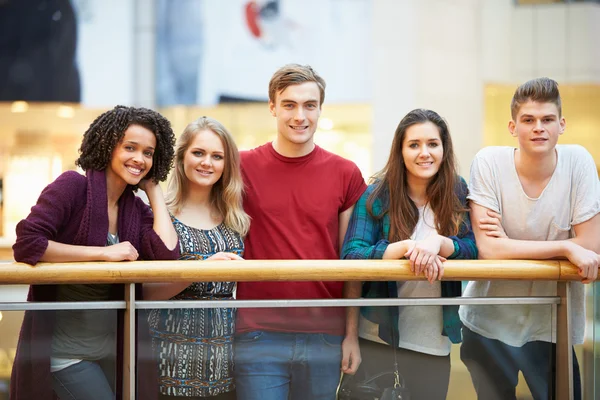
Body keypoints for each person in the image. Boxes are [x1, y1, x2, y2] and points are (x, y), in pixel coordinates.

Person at [10, 105, 179, 400]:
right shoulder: (72, 187)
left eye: (149, 153)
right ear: (107, 145)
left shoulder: (133, 207)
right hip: (66, 356)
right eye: (130, 147)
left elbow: (166, 255)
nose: (139, 159)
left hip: (112, 353)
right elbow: (28, 242)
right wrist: (102, 254)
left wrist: (153, 192)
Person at [459, 77, 600, 400]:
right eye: (529, 120)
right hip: (488, 322)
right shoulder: (489, 163)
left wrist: (511, 245)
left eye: (548, 119)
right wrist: (566, 246)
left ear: (562, 124)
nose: (539, 128)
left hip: (552, 323)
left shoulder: (578, 162)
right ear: (512, 127)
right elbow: (490, 250)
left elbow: (591, 246)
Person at [233, 64, 367, 400]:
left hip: (324, 334)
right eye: (289, 104)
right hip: (258, 333)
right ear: (272, 107)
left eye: (309, 105)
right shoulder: (240, 166)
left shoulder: (345, 173)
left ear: (320, 109)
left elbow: (351, 262)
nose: (300, 115)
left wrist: (351, 335)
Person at [341, 108, 477, 399]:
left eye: (432, 144)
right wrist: (403, 248)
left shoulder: (457, 190)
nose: (424, 153)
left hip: (433, 342)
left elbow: (474, 249)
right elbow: (352, 256)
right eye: (414, 145)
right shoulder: (377, 194)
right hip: (378, 339)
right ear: (400, 151)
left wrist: (439, 243)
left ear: (444, 148)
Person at [144, 116, 250, 400]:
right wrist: (202, 270)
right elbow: (144, 294)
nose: (207, 163)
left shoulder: (235, 217)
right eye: (199, 153)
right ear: (181, 158)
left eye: (217, 156)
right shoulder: (157, 213)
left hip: (224, 358)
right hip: (169, 357)